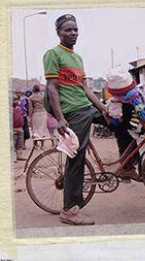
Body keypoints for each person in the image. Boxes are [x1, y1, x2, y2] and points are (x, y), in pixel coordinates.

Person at [44, 14, 115, 225]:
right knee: (77, 159)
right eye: (68, 30)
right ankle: (69, 210)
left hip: (87, 108)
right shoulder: (53, 54)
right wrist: (60, 119)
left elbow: (86, 89)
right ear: (58, 32)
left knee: (121, 121)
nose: (73, 33)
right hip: (72, 113)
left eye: (75, 29)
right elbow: (52, 88)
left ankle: (129, 166)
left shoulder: (77, 58)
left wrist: (103, 108)